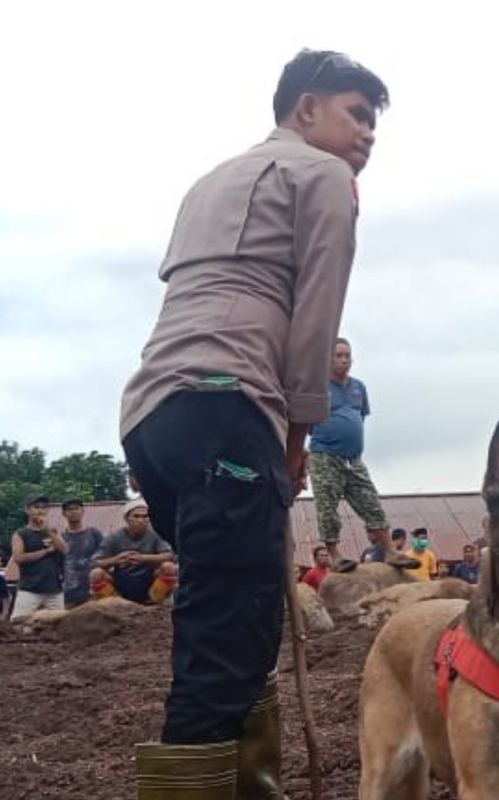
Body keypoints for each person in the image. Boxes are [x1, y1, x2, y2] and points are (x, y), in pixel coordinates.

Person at [117, 48, 389, 797]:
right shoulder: (325, 176)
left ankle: (248, 782)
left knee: (227, 610)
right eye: (355, 114)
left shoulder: (213, 178)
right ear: (305, 110)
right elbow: (315, 316)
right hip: (229, 405)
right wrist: (297, 436)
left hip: (152, 412)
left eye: (374, 123)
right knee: (228, 632)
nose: (368, 134)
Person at [308, 337, 395, 569]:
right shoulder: (317, 387)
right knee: (328, 508)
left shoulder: (359, 387)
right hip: (325, 456)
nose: (344, 360)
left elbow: (361, 416)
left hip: (353, 458)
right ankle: (335, 556)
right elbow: (304, 422)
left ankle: (390, 551)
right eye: (339, 355)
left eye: (347, 355)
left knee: (371, 501)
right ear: (327, 359)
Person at [90, 499, 178, 605]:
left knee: (169, 567)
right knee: (96, 574)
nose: (141, 520)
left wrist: (144, 558)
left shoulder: (155, 534)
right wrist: (116, 560)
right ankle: (116, 605)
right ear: (127, 518)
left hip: (148, 580)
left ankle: (153, 603)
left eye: (145, 516)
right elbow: (95, 562)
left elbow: (171, 556)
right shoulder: (114, 537)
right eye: (136, 516)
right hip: (121, 580)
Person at [9, 494, 68, 621]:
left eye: (44, 507)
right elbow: (18, 558)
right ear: (27, 510)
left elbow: (65, 550)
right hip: (30, 589)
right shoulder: (21, 534)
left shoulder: (53, 532)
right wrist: (46, 551)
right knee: (18, 623)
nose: (40, 511)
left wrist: (48, 531)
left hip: (54, 589)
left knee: (60, 625)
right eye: (36, 507)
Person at [60, 498, 106, 608]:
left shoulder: (94, 534)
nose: (73, 512)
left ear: (83, 511)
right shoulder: (61, 539)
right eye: (69, 509)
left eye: (76, 508)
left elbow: (105, 555)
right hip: (68, 592)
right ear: (63, 513)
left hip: (92, 591)